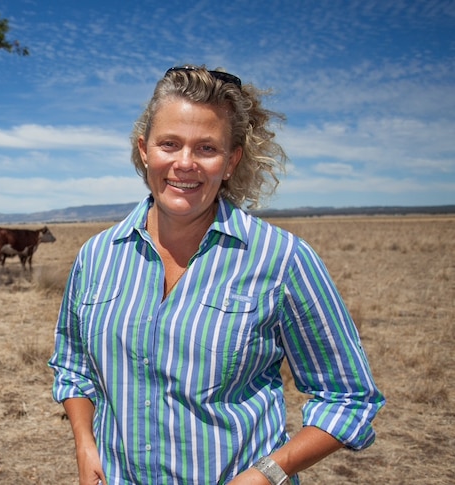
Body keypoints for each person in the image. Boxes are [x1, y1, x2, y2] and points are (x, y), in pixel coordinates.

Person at [48, 65, 384, 484]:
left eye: (206, 148)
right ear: (144, 150)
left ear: (231, 161)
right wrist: (85, 442)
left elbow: (349, 397)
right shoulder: (97, 257)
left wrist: (267, 472)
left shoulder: (281, 260)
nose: (184, 163)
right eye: (169, 144)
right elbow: (73, 365)